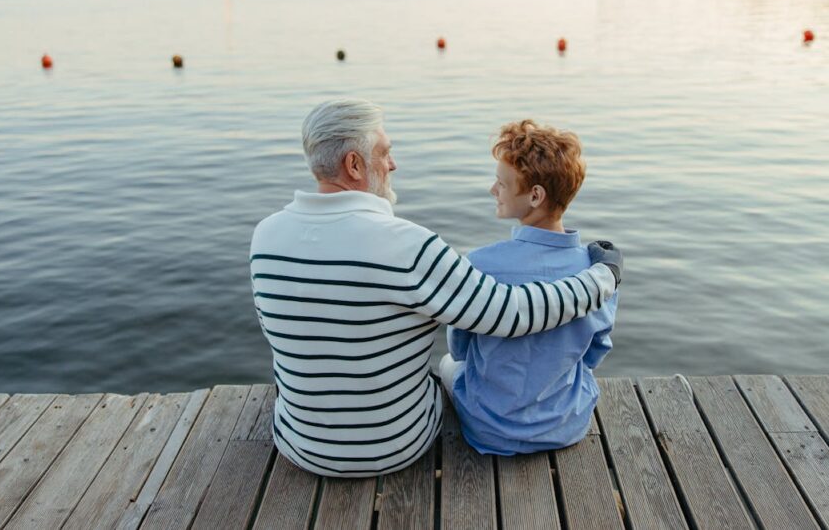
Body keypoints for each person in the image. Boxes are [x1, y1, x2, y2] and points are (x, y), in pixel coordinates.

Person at [250, 100, 623, 477]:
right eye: (385, 153)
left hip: (300, 445)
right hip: (396, 447)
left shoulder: (264, 237)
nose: (392, 164)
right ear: (354, 165)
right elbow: (511, 313)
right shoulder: (408, 246)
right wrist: (603, 277)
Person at [439, 120, 618, 455]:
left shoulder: (479, 265)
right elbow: (595, 353)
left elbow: (461, 349)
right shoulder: (598, 273)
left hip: (488, 430)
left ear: (535, 195)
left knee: (448, 363)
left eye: (502, 184)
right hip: (566, 427)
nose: (493, 190)